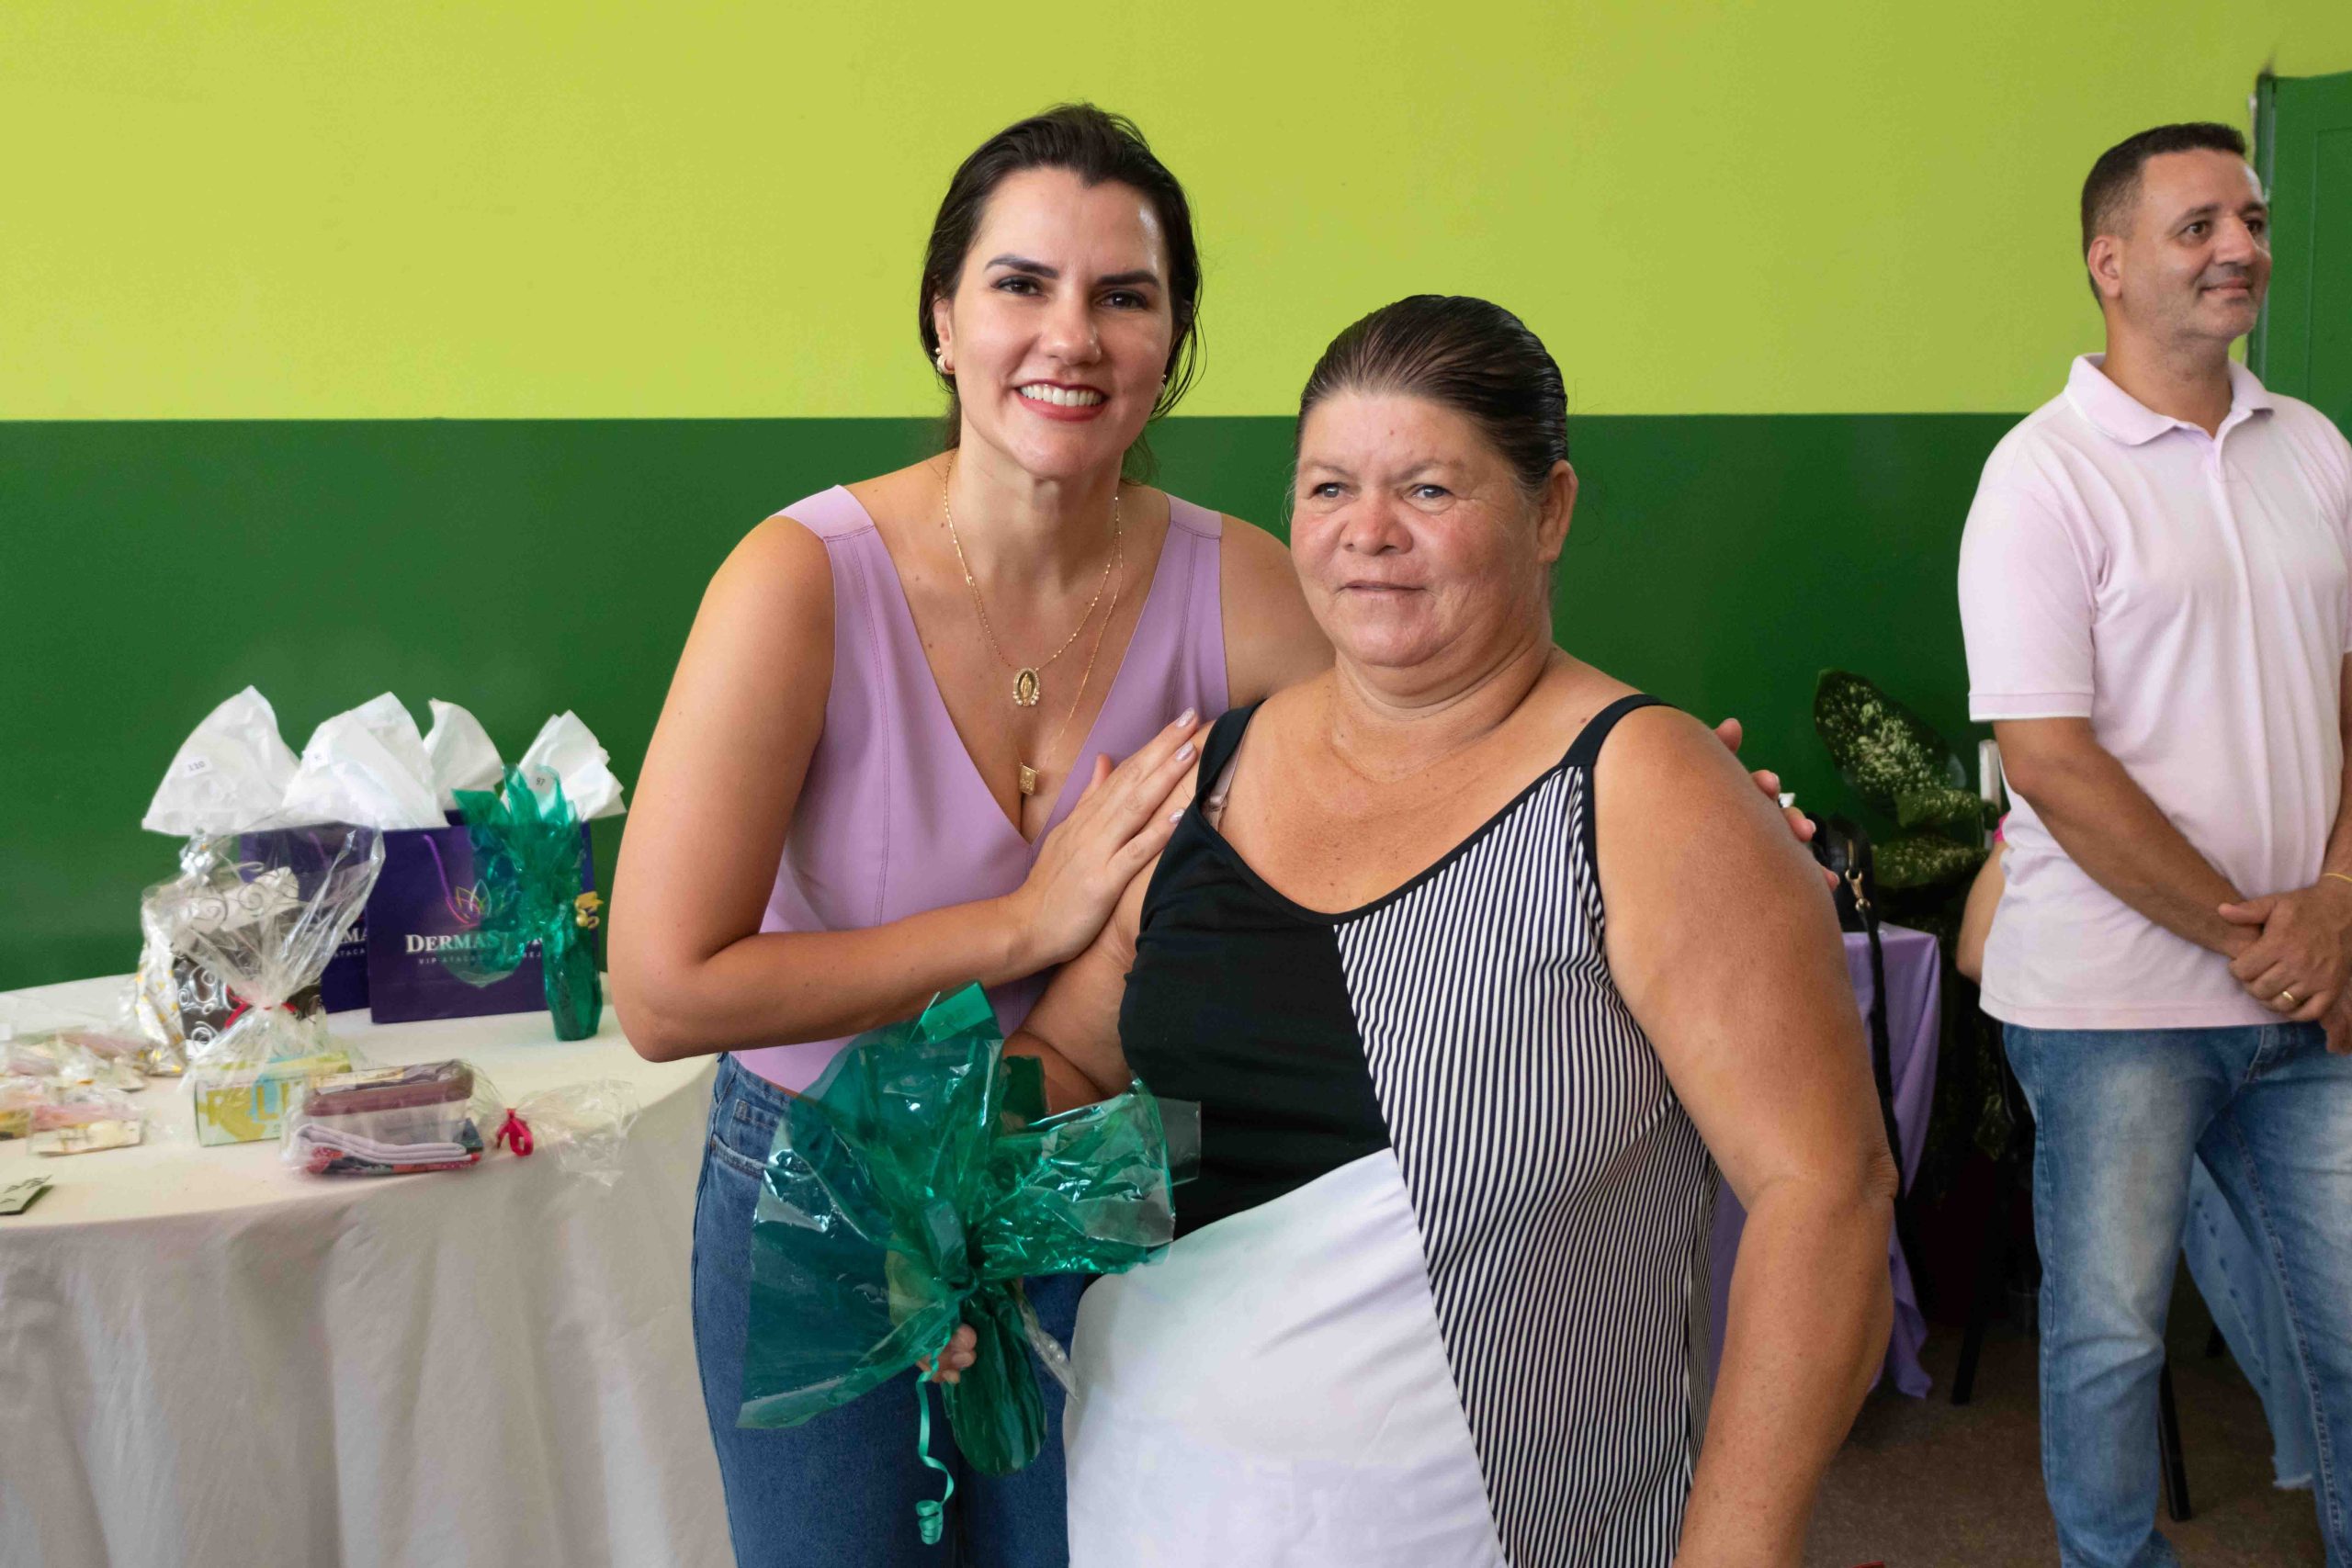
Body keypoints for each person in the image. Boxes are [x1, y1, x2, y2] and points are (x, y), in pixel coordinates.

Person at [615, 107, 1811, 1568]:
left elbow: (1460, 706)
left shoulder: (1243, 580)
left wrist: (1695, 804)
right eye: (1021, 284)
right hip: (831, 1172)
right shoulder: (799, 579)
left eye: (1125, 296)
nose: (1072, 335)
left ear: (1173, 342)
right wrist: (1021, 924)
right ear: (941, 318)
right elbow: (663, 990)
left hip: (1100, 1144)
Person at [992, 296, 1896, 1567]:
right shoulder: (1206, 775)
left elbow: (1827, 1198)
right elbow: (1073, 1067)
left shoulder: (1643, 790)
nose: (1367, 532)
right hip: (1158, 1504)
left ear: (1550, 509)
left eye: (1427, 488)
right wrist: (955, 1208)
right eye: (1328, 488)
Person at [1956, 120, 2352, 1568]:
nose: (2241, 246)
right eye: (2199, 226)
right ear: (2108, 263)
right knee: (2111, 1338)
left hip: (2309, 993)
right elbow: (2052, 762)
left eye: (2252, 219)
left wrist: (2339, 898)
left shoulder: (2315, 446)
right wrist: (2267, 931)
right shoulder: (2042, 476)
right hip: (2116, 1007)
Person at [1959, 839, 2323, 1501]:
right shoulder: (2041, 828)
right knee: (2123, 1317)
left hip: (2283, 1021)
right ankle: (2301, 1446)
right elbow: (1974, 951)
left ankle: (2312, 1452)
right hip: (2126, 1035)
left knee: (2323, 1280)